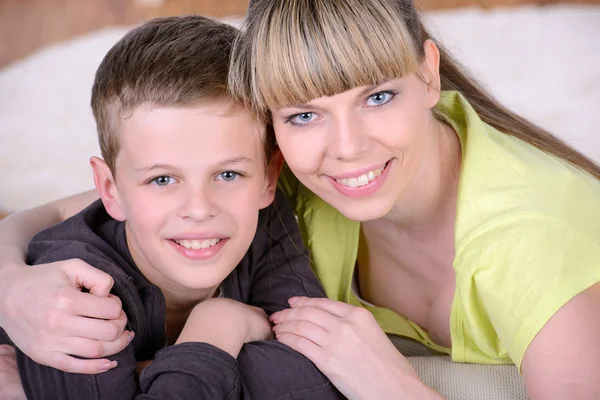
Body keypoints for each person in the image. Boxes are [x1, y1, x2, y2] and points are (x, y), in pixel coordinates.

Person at [1, 0, 600, 399]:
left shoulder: (536, 244)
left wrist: (395, 387)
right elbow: (75, 209)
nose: (346, 149)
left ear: (428, 74)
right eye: (306, 112)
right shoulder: (276, 173)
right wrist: (8, 283)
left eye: (378, 97)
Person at [0, 14, 343, 400]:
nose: (199, 210)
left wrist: (158, 369)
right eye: (162, 179)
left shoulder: (265, 221)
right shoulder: (77, 289)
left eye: (228, 175)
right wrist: (219, 328)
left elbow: (313, 383)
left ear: (268, 178)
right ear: (109, 190)